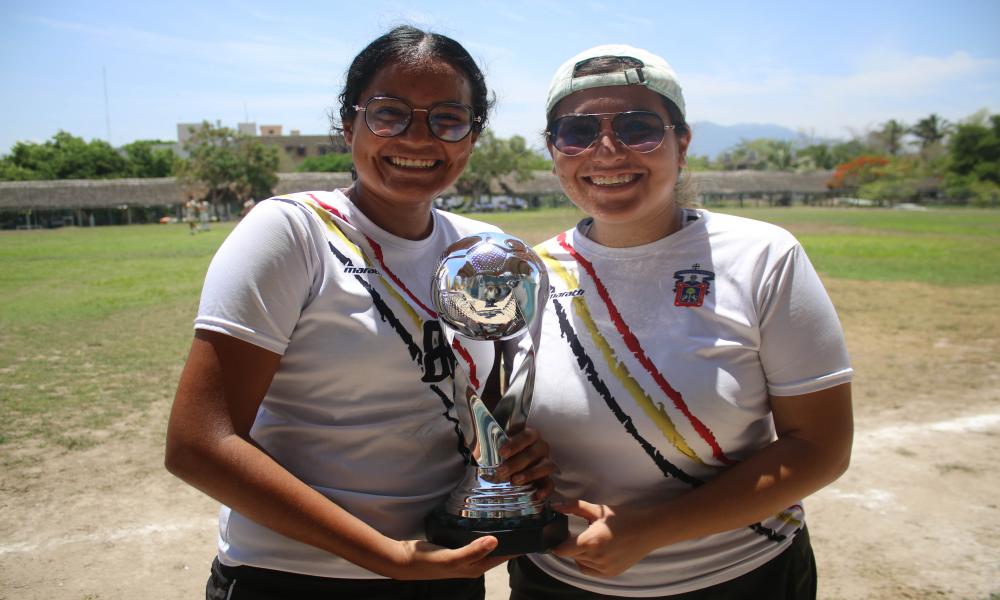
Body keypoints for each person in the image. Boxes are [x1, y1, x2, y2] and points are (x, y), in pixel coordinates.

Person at [165, 26, 554, 600]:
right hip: (292, 577)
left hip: (444, 568)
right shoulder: (292, 232)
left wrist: (509, 457)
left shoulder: (484, 251)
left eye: (447, 119)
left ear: (472, 136)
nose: (418, 138)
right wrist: (387, 557)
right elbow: (199, 443)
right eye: (389, 113)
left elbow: (477, 404)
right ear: (348, 124)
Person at [509, 45, 854, 599]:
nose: (606, 150)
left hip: (742, 578)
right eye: (575, 133)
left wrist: (652, 530)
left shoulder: (762, 255)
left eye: (638, 127)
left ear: (682, 143)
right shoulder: (525, 273)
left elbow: (821, 446)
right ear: (554, 151)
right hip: (559, 580)